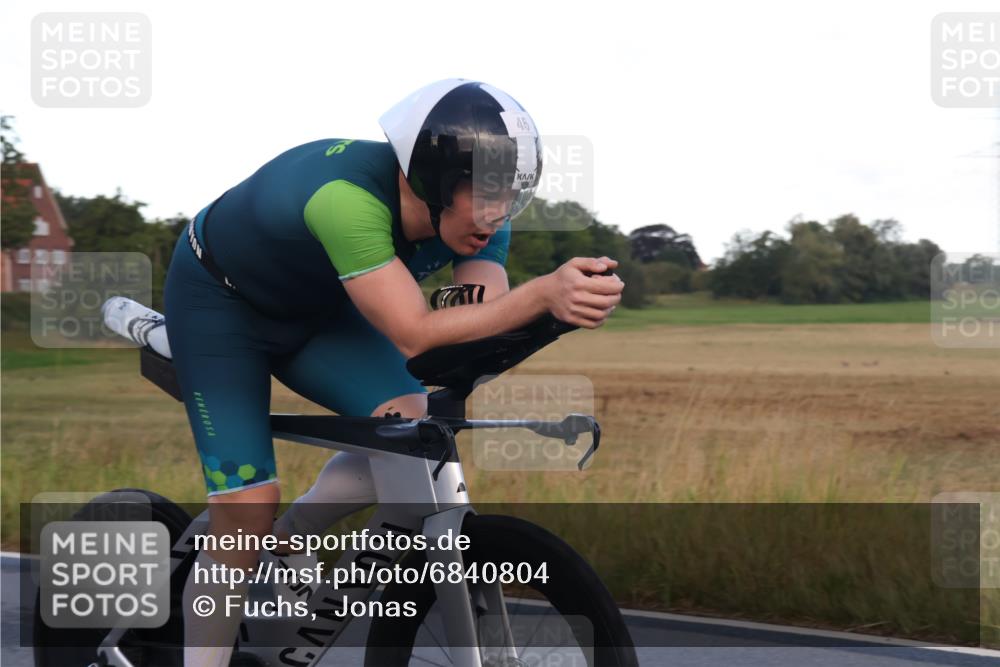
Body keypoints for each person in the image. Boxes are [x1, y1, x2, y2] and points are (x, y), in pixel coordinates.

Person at [163, 78, 624, 667]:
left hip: (322, 312)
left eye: (509, 196)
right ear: (429, 181)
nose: (497, 215)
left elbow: (474, 328)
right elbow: (414, 331)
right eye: (484, 195)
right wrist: (542, 294)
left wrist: (552, 315)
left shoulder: (484, 221)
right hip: (220, 309)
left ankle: (290, 543)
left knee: (411, 431)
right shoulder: (345, 200)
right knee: (248, 505)